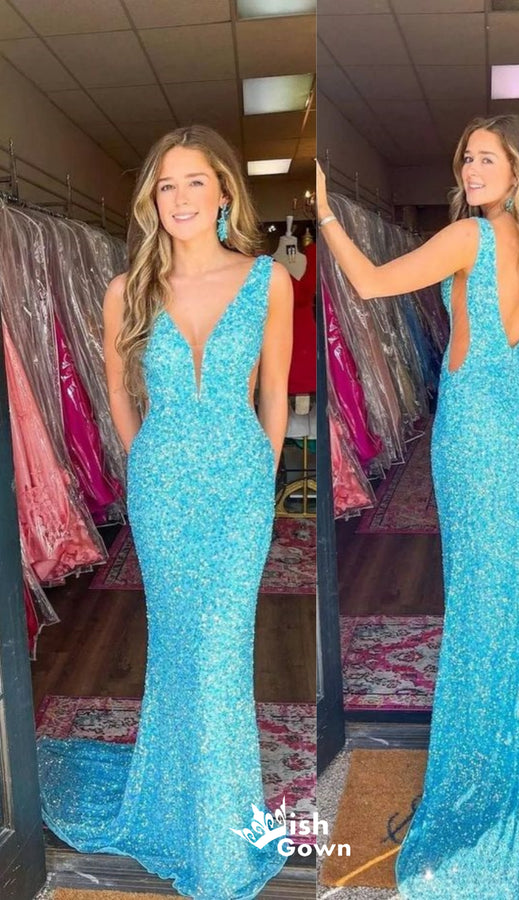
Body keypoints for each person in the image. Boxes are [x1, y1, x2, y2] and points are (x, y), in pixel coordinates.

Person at [317, 114, 519, 898]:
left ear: (517, 170)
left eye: (486, 159)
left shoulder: (472, 237)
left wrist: (327, 215)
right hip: (516, 409)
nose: (471, 170)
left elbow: (371, 284)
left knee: (480, 585)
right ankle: (514, 734)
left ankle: (489, 752)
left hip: (475, 419)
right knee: (510, 577)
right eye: (466, 158)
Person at [36, 124, 293, 900]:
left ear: (224, 192)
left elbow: (275, 394)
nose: (179, 198)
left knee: (222, 651)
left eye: (194, 182)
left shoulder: (268, 281)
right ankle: (187, 809)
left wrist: (262, 479)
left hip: (240, 489)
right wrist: (142, 458)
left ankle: (218, 832)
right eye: (165, 185)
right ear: (152, 200)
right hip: (163, 490)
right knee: (183, 648)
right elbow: (117, 390)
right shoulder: (129, 290)